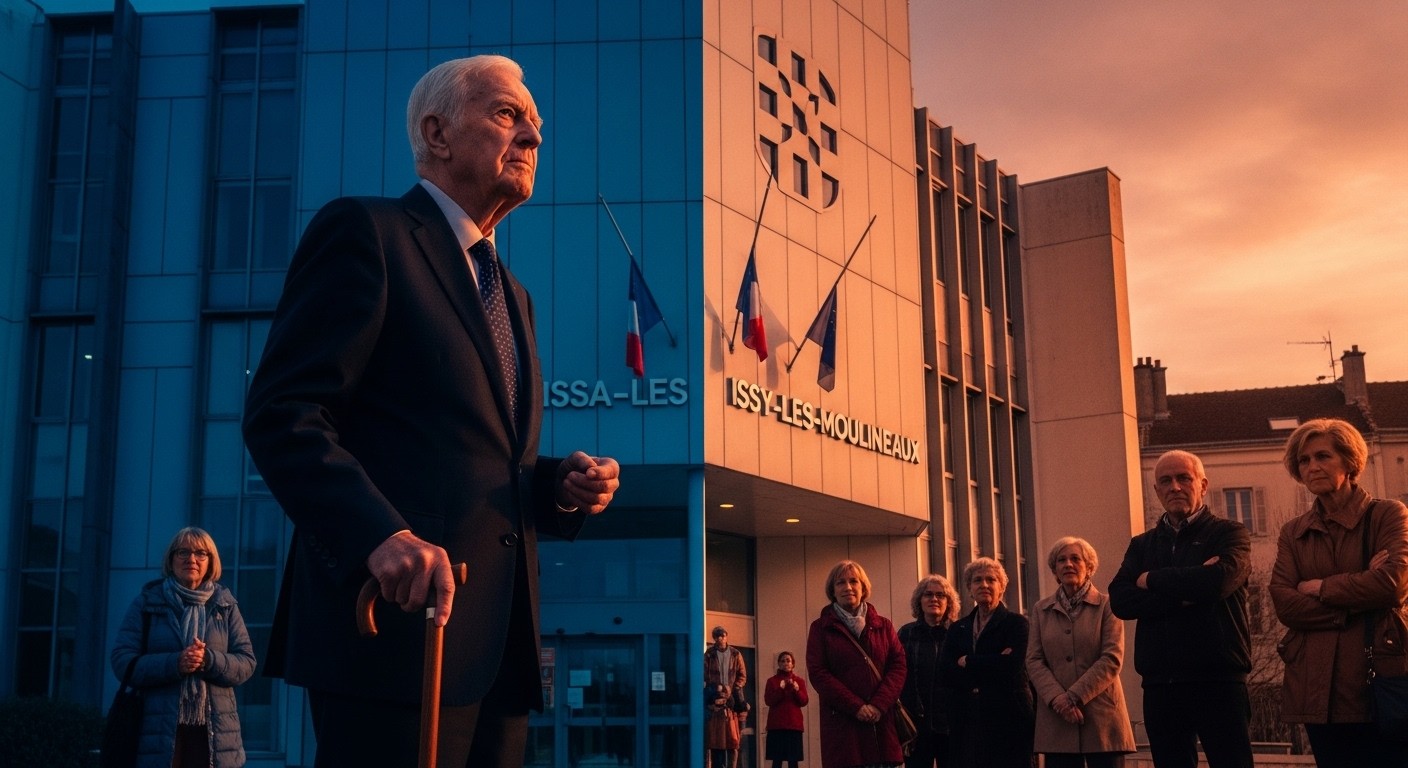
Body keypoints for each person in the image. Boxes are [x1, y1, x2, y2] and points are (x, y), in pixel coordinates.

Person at [242, 55, 621, 768]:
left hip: (499, 653)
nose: (534, 137)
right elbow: (283, 413)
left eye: (535, 123)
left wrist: (557, 488)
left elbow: (474, 458)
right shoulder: (367, 234)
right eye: (509, 116)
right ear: (437, 134)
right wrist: (378, 535)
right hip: (395, 634)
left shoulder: (513, 293)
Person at [1269, 418, 1408, 767]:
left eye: (1323, 456)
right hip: (1316, 690)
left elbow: (1393, 584)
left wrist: (1320, 588)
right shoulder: (1294, 531)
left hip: (1379, 684)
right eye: (1304, 460)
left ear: (1349, 461)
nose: (1312, 466)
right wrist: (1357, 595)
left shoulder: (1387, 515)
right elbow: (1285, 604)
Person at [1108, 449, 1253, 768]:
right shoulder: (1142, 544)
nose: (1175, 486)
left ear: (1202, 485)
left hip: (1218, 678)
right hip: (1162, 682)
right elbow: (1120, 599)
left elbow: (1218, 582)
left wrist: (1150, 579)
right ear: (1157, 490)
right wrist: (1190, 591)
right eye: (1165, 481)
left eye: (1183, 478)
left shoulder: (1230, 534)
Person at [109, 527, 257, 767]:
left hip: (216, 734)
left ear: (211, 561)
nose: (191, 559)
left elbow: (247, 663)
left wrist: (208, 660)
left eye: (201, 553)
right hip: (156, 732)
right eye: (183, 552)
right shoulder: (147, 602)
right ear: (171, 559)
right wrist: (175, 663)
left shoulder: (225, 605)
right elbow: (122, 661)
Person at [1026, 537, 1135, 768]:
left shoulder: (1108, 605)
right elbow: (1034, 660)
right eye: (1061, 560)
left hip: (1102, 719)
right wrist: (1058, 700)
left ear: (1089, 567)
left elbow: (1111, 658)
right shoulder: (1040, 610)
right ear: (1054, 570)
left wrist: (1073, 697)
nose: (1068, 564)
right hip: (1057, 721)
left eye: (1075, 559)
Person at [806, 559, 907, 768]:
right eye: (840, 582)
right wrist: (857, 707)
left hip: (881, 732)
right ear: (832, 590)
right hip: (844, 734)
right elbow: (818, 673)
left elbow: (898, 666)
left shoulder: (884, 626)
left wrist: (878, 705)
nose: (848, 587)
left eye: (854, 581)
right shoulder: (820, 628)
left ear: (863, 588)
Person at [939, 557, 1034, 768]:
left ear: (1002, 587)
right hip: (967, 721)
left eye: (991, 580)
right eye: (977, 580)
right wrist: (994, 660)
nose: (984, 585)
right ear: (969, 589)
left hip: (1009, 720)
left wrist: (969, 661)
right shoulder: (958, 628)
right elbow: (947, 671)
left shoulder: (1017, 624)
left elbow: (1011, 667)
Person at [898, 574, 959, 768]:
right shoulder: (907, 633)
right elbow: (897, 674)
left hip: (951, 725)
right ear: (919, 600)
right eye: (928, 594)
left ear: (948, 602)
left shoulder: (958, 633)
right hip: (916, 726)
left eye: (940, 595)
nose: (934, 599)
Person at [704, 626, 748, 768]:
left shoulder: (735, 653)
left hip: (731, 697)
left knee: (733, 740)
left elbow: (742, 675)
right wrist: (716, 688)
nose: (720, 639)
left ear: (726, 636)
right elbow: (704, 674)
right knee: (716, 741)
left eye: (722, 636)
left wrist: (733, 688)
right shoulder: (709, 654)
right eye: (717, 636)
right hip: (714, 695)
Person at [763, 650, 809, 768]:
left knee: (793, 761)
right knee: (776, 761)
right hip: (777, 726)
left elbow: (804, 701)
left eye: (788, 661)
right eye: (782, 661)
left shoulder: (799, 681)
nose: (785, 663)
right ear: (778, 664)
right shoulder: (772, 681)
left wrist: (796, 690)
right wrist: (781, 689)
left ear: (793, 664)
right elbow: (769, 701)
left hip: (794, 726)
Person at [706, 682, 743, 768]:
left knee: (727, 750)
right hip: (719, 727)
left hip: (726, 725)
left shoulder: (729, 704)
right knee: (718, 752)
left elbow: (734, 704)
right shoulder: (711, 695)